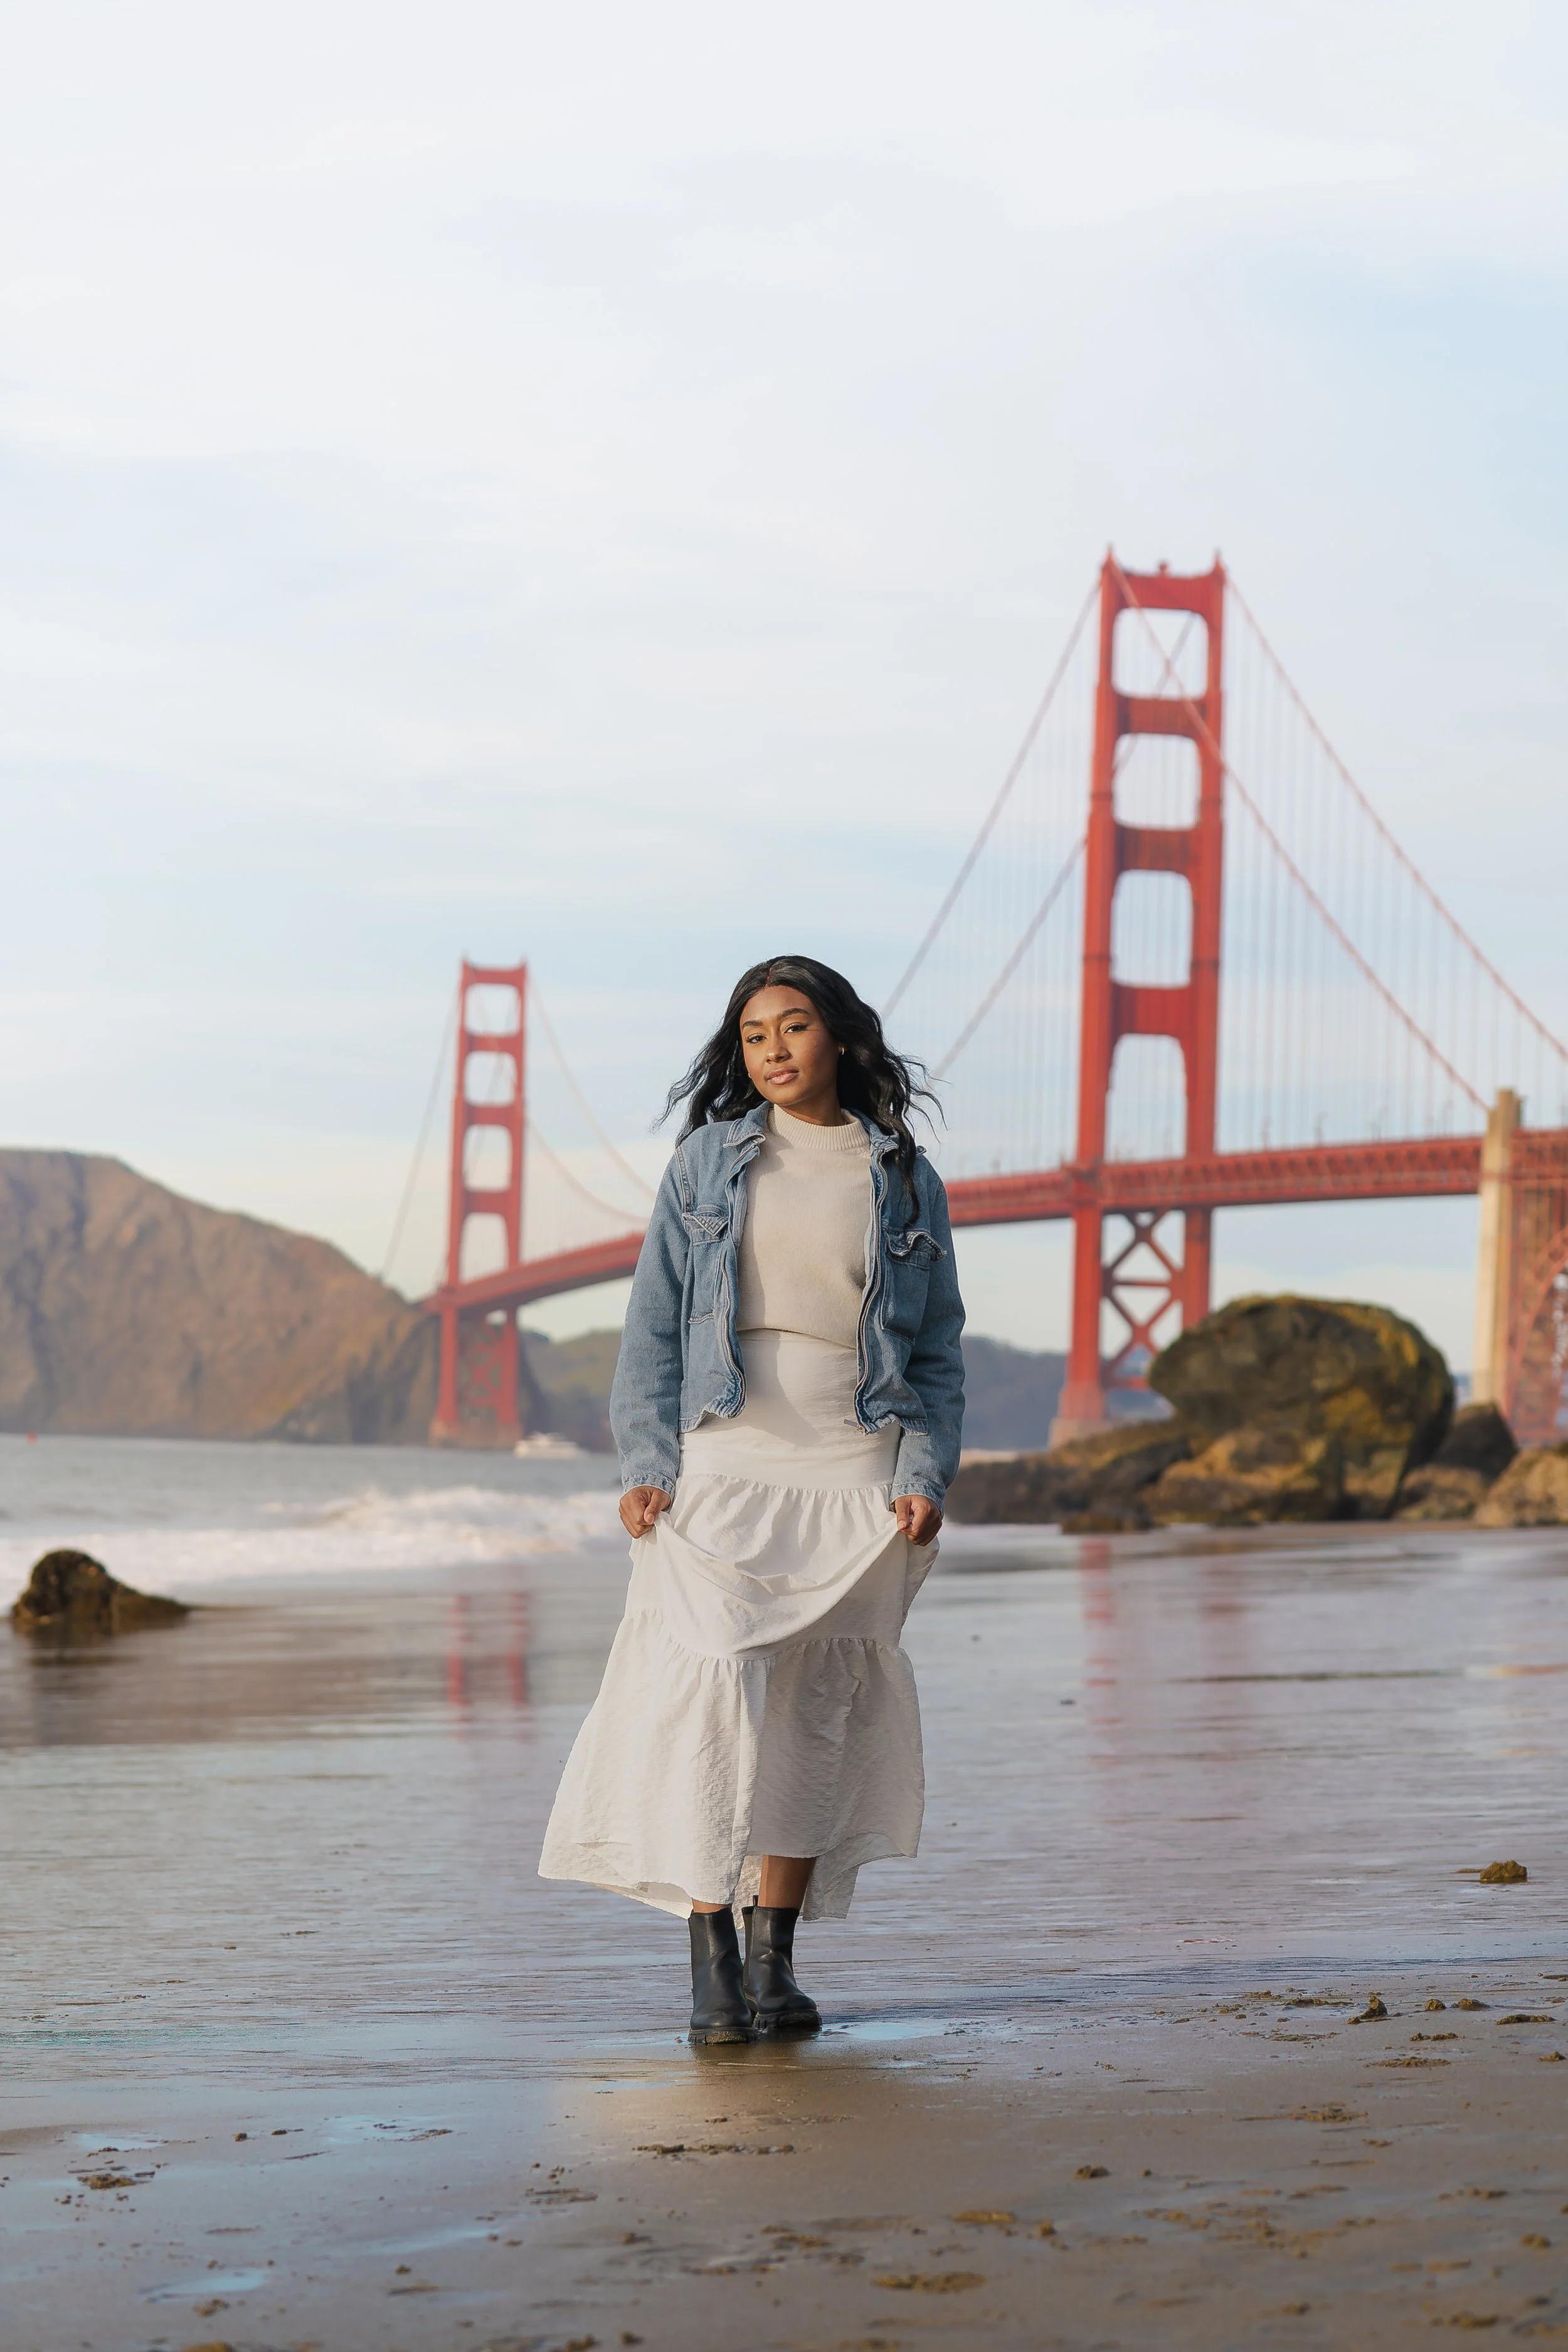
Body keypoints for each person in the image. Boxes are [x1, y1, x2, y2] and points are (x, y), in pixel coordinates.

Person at [539, 955, 965, 2042]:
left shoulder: (904, 1176)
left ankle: (775, 1959)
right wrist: (647, 1463)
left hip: (853, 1463)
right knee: (713, 1698)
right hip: (726, 1457)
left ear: (840, 1039)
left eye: (794, 1026)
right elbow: (651, 1326)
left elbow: (938, 1350)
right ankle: (711, 1954)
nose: (773, 1050)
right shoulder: (705, 1164)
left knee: (815, 1710)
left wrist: (923, 1475)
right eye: (753, 1035)